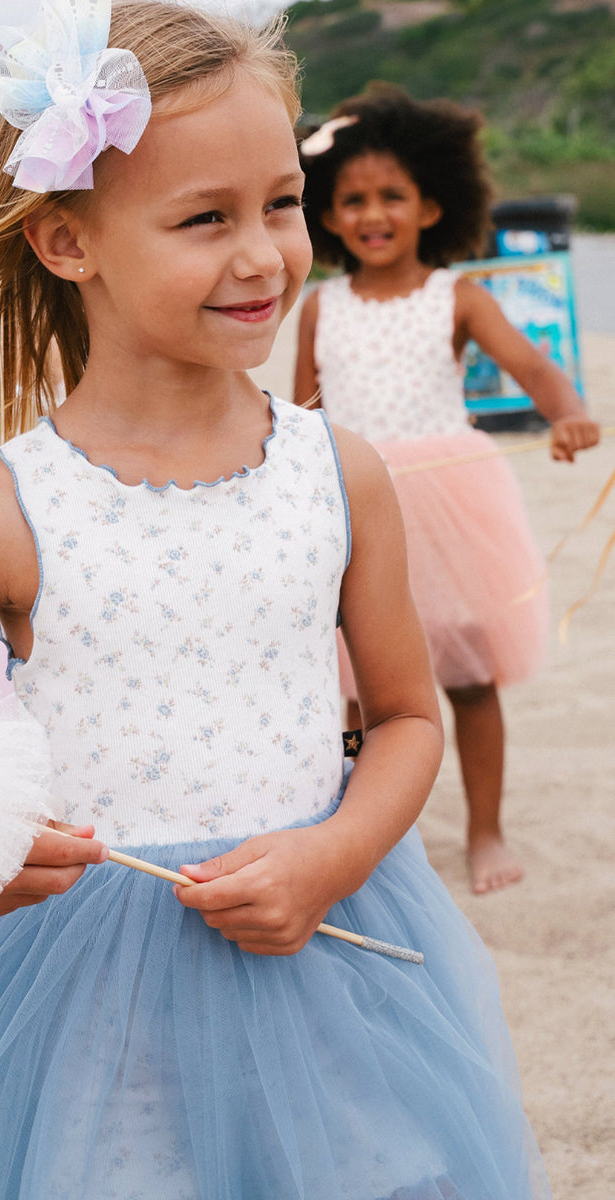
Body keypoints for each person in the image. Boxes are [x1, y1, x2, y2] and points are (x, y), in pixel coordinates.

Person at [0, 7, 553, 1196]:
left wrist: (334, 854)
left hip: (316, 966)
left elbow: (402, 718)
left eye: (283, 203)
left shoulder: (342, 475)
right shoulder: (13, 510)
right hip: (85, 1011)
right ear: (67, 243)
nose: (265, 255)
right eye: (204, 218)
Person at [294, 84, 600, 896]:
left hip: (450, 506)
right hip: (353, 507)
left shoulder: (457, 295)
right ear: (326, 215)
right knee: (350, 687)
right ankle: (355, 833)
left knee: (467, 675)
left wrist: (567, 412)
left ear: (431, 205)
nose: (372, 213)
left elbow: (532, 365)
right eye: (352, 199)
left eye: (392, 196)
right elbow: (300, 419)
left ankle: (486, 830)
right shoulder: (321, 309)